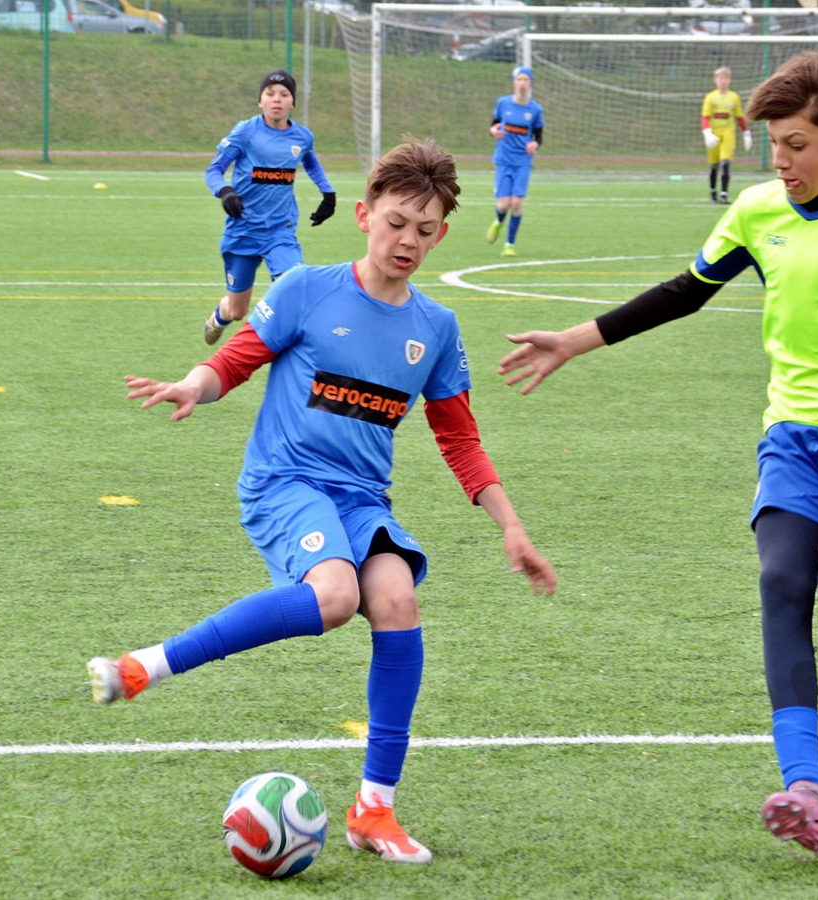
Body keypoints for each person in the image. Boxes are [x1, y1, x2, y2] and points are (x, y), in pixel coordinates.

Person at [499, 51, 818, 859]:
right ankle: (805, 789)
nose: (779, 162)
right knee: (782, 584)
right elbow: (685, 291)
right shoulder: (757, 211)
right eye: (772, 146)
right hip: (792, 435)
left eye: (796, 145)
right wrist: (575, 341)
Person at [88, 137, 557, 865]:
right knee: (336, 596)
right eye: (396, 223)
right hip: (284, 481)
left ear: (441, 235)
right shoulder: (307, 288)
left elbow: (459, 438)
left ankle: (375, 810)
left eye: (425, 229)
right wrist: (192, 384)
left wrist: (512, 527)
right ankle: (146, 665)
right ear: (365, 216)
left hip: (361, 499)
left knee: (396, 598)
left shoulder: (436, 328)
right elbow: (235, 360)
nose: (408, 241)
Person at [202, 69, 337, 346]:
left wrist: (328, 193)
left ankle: (287, 345)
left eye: (284, 94)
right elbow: (213, 170)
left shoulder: (302, 137)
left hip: (280, 231)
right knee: (236, 311)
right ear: (260, 101)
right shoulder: (245, 132)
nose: (277, 99)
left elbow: (310, 162)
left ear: (293, 102)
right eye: (270, 93)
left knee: (294, 287)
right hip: (243, 232)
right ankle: (218, 317)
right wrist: (226, 192)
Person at [485, 65, 545, 258]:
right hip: (504, 159)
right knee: (503, 205)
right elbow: (493, 125)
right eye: (519, 79)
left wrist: (535, 144)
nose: (522, 83)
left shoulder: (535, 110)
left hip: (522, 161)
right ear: (514, 82)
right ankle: (498, 221)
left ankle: (509, 245)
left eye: (526, 80)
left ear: (530, 84)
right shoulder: (503, 103)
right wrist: (493, 131)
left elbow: (539, 136)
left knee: (516, 203)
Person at [701, 66, 752, 204]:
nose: (722, 81)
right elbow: (705, 117)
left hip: (728, 133)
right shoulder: (710, 97)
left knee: (725, 163)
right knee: (714, 165)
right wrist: (707, 133)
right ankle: (713, 192)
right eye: (720, 78)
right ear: (715, 80)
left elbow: (739, 117)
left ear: (729, 80)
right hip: (714, 134)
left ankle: (724, 194)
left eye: (725, 78)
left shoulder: (734, 97)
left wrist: (746, 132)